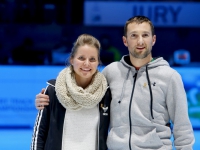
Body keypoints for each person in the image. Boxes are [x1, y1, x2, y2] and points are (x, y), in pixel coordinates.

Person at [35, 16, 195, 149]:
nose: (140, 41)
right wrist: (48, 98)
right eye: (134, 35)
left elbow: (182, 127)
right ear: (125, 41)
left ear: (153, 39)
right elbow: (83, 92)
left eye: (145, 35)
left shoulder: (169, 76)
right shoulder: (111, 72)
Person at [31, 34, 111, 150]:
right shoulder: (54, 90)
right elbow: (39, 133)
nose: (87, 64)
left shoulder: (106, 93)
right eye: (81, 58)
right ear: (72, 59)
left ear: (98, 62)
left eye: (92, 59)